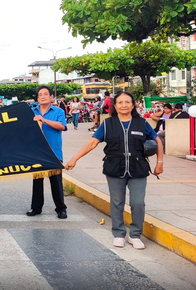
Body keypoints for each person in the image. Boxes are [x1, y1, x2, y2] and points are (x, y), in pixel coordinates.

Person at [65, 91, 163, 250]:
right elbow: (92, 143)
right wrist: (74, 159)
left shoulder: (142, 123)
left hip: (138, 168)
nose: (124, 105)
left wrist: (160, 163)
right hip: (114, 168)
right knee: (117, 202)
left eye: (127, 102)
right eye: (120, 102)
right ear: (115, 106)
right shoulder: (107, 124)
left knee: (138, 203)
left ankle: (135, 235)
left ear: (133, 105)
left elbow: (157, 140)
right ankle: (119, 234)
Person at [27, 85, 68, 219]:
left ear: (51, 97)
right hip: (37, 152)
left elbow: (61, 126)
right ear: (37, 98)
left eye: (46, 94)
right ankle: (36, 207)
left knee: (56, 182)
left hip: (53, 152)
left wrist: (43, 120)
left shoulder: (58, 112)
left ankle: (61, 208)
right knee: (37, 181)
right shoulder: (31, 111)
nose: (43, 96)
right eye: (40, 95)